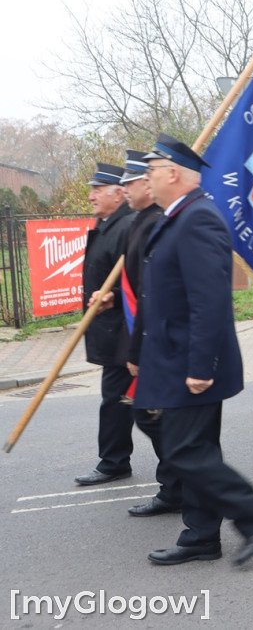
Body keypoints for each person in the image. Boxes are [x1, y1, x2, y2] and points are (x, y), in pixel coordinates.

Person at [137, 133, 253, 566]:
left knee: (184, 450)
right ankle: (200, 536)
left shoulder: (198, 218)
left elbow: (209, 301)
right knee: (195, 449)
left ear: (173, 173)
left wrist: (201, 366)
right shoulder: (176, 216)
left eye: (151, 171)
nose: (146, 179)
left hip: (190, 361)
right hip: (172, 356)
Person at [118, 150, 182, 517]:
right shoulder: (141, 220)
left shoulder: (158, 221)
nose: (125, 188)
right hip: (144, 337)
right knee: (150, 415)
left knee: (153, 415)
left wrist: (141, 348)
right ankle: (174, 485)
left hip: (159, 340)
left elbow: (151, 291)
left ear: (149, 182)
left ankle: (180, 485)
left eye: (131, 181)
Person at [73, 163, 137, 487]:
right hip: (111, 328)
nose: (91, 196)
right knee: (118, 399)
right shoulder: (108, 223)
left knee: (118, 399)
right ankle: (116, 459)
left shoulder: (128, 225)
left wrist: (111, 295)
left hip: (124, 332)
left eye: (97, 190)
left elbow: (137, 281)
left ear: (117, 192)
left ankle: (114, 462)